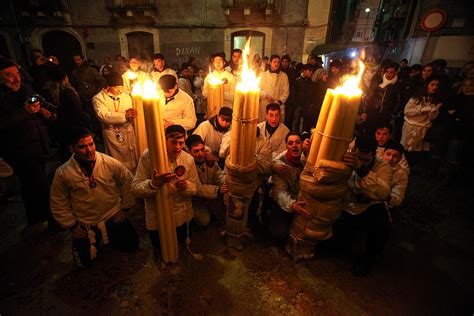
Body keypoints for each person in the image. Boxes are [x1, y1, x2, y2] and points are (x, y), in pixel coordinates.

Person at [50, 128, 138, 268]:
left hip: (112, 215)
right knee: (84, 264)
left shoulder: (108, 162)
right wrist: (72, 225)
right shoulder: (63, 173)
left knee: (132, 246)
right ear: (72, 149)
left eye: (91, 144)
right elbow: (58, 201)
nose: (89, 150)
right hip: (86, 223)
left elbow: (128, 181)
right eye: (83, 146)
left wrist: (125, 207)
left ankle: (112, 236)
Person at [0, 57, 55, 227]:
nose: (16, 79)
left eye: (17, 73)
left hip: (36, 145)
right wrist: (25, 112)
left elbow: (37, 102)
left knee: (32, 186)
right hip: (20, 150)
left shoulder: (23, 90)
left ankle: (35, 217)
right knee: (38, 185)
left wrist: (46, 112)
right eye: (9, 75)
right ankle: (49, 219)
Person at [132, 125, 199, 248]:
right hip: (158, 217)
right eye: (174, 142)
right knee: (161, 248)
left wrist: (186, 186)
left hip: (182, 216)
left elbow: (195, 187)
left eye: (181, 143)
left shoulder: (188, 159)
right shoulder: (149, 157)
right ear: (164, 140)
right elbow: (136, 189)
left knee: (182, 245)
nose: (177, 147)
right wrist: (153, 184)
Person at [336, 136, 393, 276]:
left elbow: (383, 193)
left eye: (365, 160)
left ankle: (369, 258)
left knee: (382, 223)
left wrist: (361, 169)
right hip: (344, 206)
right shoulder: (346, 157)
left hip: (366, 208)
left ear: (373, 155)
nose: (361, 162)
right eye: (359, 158)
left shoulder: (383, 167)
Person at [41, 66, 91, 162]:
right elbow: (78, 112)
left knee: (66, 155)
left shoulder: (48, 92)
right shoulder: (67, 92)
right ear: (65, 78)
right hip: (74, 129)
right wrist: (88, 121)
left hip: (60, 130)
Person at [93, 71, 138, 172]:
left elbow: (131, 110)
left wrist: (132, 113)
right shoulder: (98, 98)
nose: (119, 90)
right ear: (108, 86)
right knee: (117, 162)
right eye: (116, 87)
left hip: (128, 131)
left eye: (121, 87)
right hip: (112, 133)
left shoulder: (125, 96)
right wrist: (125, 116)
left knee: (132, 159)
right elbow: (103, 115)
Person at [269, 131, 305, 241]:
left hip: (301, 200)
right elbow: (280, 192)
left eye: (298, 142)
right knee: (280, 234)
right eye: (290, 143)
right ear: (286, 146)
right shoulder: (281, 165)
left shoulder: (308, 160)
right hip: (284, 203)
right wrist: (292, 205)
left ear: (303, 145)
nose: (294, 145)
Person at [400, 75, 442, 168]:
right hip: (411, 126)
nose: (435, 87)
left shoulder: (436, 100)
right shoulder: (417, 98)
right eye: (432, 84)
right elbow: (407, 111)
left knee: (418, 150)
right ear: (427, 85)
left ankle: (412, 167)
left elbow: (432, 119)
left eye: (437, 85)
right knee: (406, 148)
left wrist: (433, 112)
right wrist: (421, 110)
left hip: (423, 128)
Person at [186, 134, 227, 226]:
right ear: (189, 152)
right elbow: (196, 188)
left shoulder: (209, 161)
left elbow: (219, 175)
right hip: (195, 200)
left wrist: (225, 184)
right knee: (204, 221)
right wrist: (217, 191)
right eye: (196, 151)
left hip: (210, 196)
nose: (200, 154)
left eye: (202, 149)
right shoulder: (187, 165)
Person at [361, 62, 404, 137]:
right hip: (372, 113)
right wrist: (365, 111)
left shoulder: (398, 86)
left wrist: (392, 115)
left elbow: (399, 102)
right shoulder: (379, 82)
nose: (388, 74)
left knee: (379, 135)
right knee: (368, 132)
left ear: (396, 72)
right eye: (387, 72)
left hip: (385, 117)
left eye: (391, 72)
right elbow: (370, 97)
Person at [70, 54, 106, 136]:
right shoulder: (75, 73)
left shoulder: (91, 71)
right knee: (88, 118)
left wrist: (96, 94)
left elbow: (102, 81)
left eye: (78, 60)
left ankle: (100, 134)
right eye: (75, 60)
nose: (76, 62)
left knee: (96, 118)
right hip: (83, 100)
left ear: (82, 60)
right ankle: (92, 134)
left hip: (93, 99)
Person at [259, 55, 289, 123]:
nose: (276, 64)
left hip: (278, 105)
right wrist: (265, 95)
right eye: (274, 62)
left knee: (277, 124)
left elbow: (286, 92)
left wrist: (279, 101)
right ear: (270, 62)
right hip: (265, 103)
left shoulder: (284, 76)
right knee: (263, 125)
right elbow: (257, 89)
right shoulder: (263, 75)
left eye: (278, 62)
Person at [382, 140, 409, 209]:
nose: (390, 158)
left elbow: (398, 199)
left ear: (400, 159)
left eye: (395, 156)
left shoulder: (402, 174)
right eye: (388, 154)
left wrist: (384, 196)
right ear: (383, 154)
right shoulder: (374, 163)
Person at [294, 64, 318, 132]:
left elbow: (313, 94)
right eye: (309, 71)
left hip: (307, 106)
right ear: (304, 71)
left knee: (306, 122)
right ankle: (295, 134)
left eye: (311, 71)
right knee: (296, 121)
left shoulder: (312, 83)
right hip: (298, 105)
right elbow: (293, 93)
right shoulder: (298, 81)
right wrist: (295, 104)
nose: (311, 72)